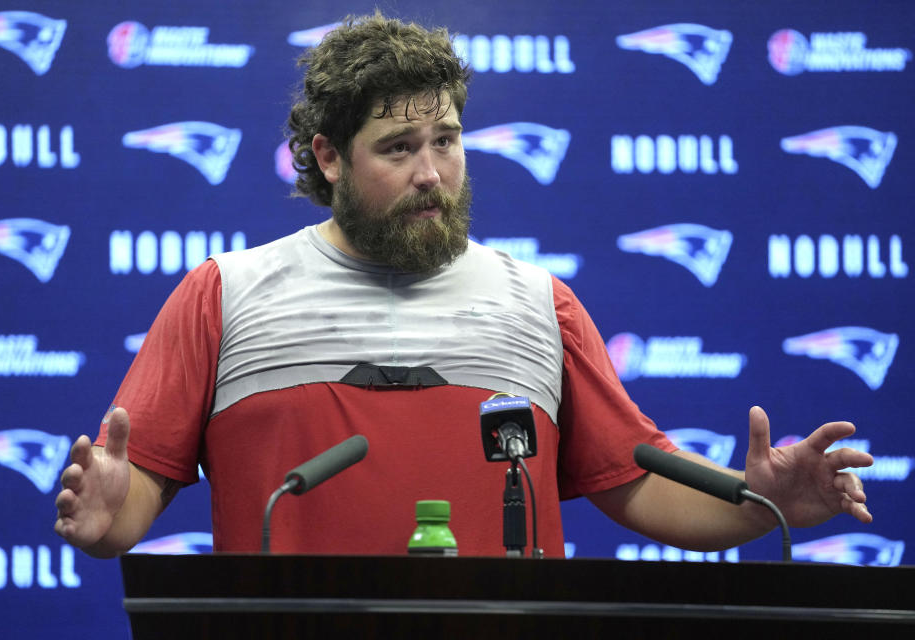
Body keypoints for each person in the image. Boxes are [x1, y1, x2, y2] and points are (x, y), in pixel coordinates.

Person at [54, 12, 873, 558]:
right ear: (328, 156)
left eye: (446, 139)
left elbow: (636, 483)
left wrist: (755, 502)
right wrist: (106, 520)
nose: (431, 174)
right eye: (398, 147)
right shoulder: (224, 294)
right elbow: (135, 495)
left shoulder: (538, 303)